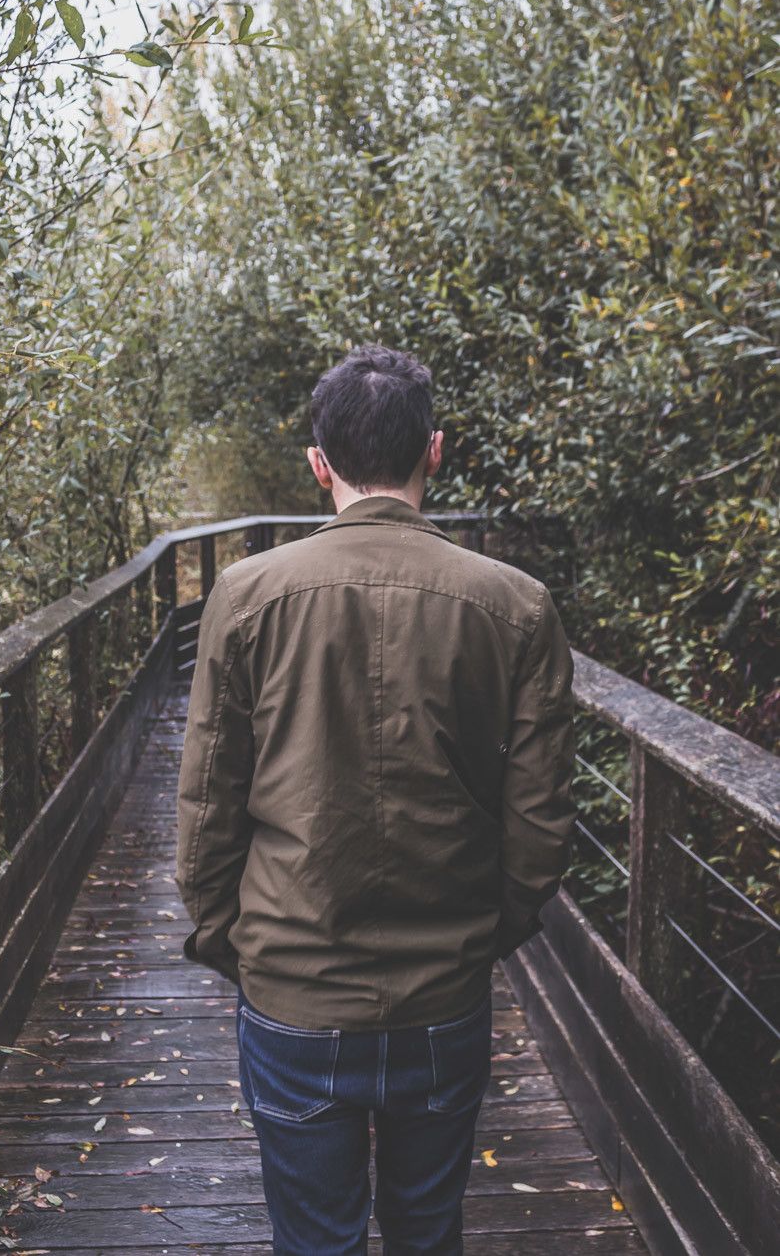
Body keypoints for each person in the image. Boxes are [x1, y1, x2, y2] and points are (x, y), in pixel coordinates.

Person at [175, 344, 577, 1255]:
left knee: (315, 1240)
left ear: (319, 465)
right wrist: (484, 934)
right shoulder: (517, 606)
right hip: (445, 992)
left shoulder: (243, 598)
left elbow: (205, 806)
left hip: (291, 987)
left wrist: (228, 940)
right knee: (428, 1232)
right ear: (434, 452)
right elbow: (542, 821)